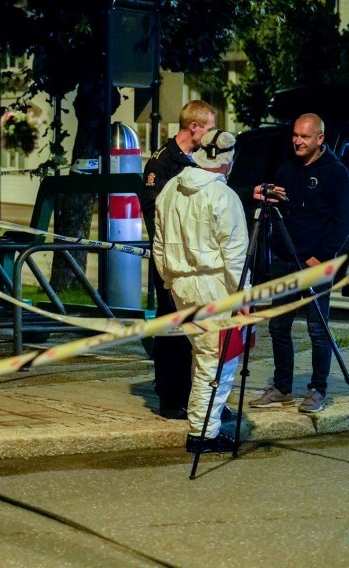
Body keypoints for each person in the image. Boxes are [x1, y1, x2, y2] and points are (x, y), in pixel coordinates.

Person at [153, 129, 248, 453]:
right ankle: (203, 432)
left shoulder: (170, 191)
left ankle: (202, 420)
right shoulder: (224, 198)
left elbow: (159, 244)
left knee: (203, 354)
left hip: (181, 285)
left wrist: (168, 281)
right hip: (214, 286)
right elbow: (235, 257)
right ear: (225, 162)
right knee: (217, 360)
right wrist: (244, 298)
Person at [249, 113, 349, 413]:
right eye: (295, 135)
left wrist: (322, 255)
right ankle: (282, 387)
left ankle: (318, 389)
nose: (297, 141)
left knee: (317, 330)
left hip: (316, 263)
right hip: (284, 260)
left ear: (320, 138)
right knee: (278, 326)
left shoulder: (337, 173)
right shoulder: (285, 169)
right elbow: (280, 210)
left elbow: (343, 221)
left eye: (304, 137)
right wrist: (264, 197)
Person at [141, 100, 216, 419]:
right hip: (171, 260)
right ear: (194, 128)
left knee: (193, 326)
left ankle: (191, 393)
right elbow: (156, 217)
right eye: (210, 128)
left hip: (194, 261)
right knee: (172, 325)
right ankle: (170, 397)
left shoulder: (197, 161)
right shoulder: (162, 164)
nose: (213, 136)